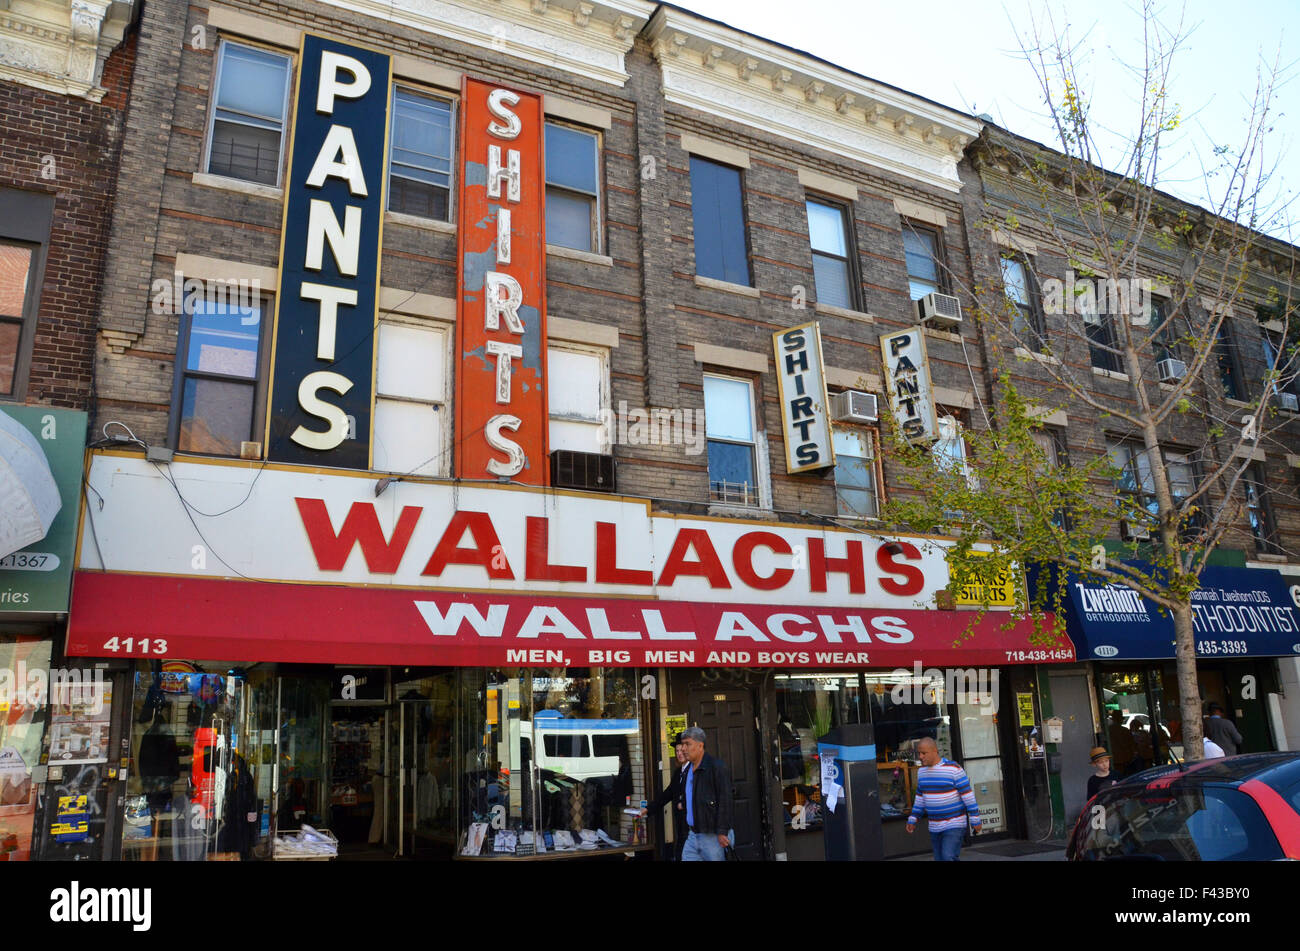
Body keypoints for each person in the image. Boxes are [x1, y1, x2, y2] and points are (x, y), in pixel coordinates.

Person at [905, 737, 981, 861]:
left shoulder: (953, 769)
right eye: (918, 753)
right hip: (934, 826)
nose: (920, 756)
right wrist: (913, 818)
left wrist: (975, 819)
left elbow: (968, 796)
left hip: (954, 823)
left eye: (924, 753)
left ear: (935, 751)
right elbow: (920, 798)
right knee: (940, 858)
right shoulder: (921, 772)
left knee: (948, 856)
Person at [678, 726, 734, 861]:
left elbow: (725, 800)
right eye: (682, 744)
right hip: (693, 833)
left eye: (687, 744)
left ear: (700, 746)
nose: (683, 748)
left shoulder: (716, 767)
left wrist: (722, 831)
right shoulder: (687, 770)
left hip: (712, 835)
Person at [642, 733, 689, 859]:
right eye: (677, 750)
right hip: (680, 824)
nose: (679, 753)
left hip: (692, 826)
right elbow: (666, 795)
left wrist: (683, 804)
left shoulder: (694, 771)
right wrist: (648, 809)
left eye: (682, 750)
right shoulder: (678, 772)